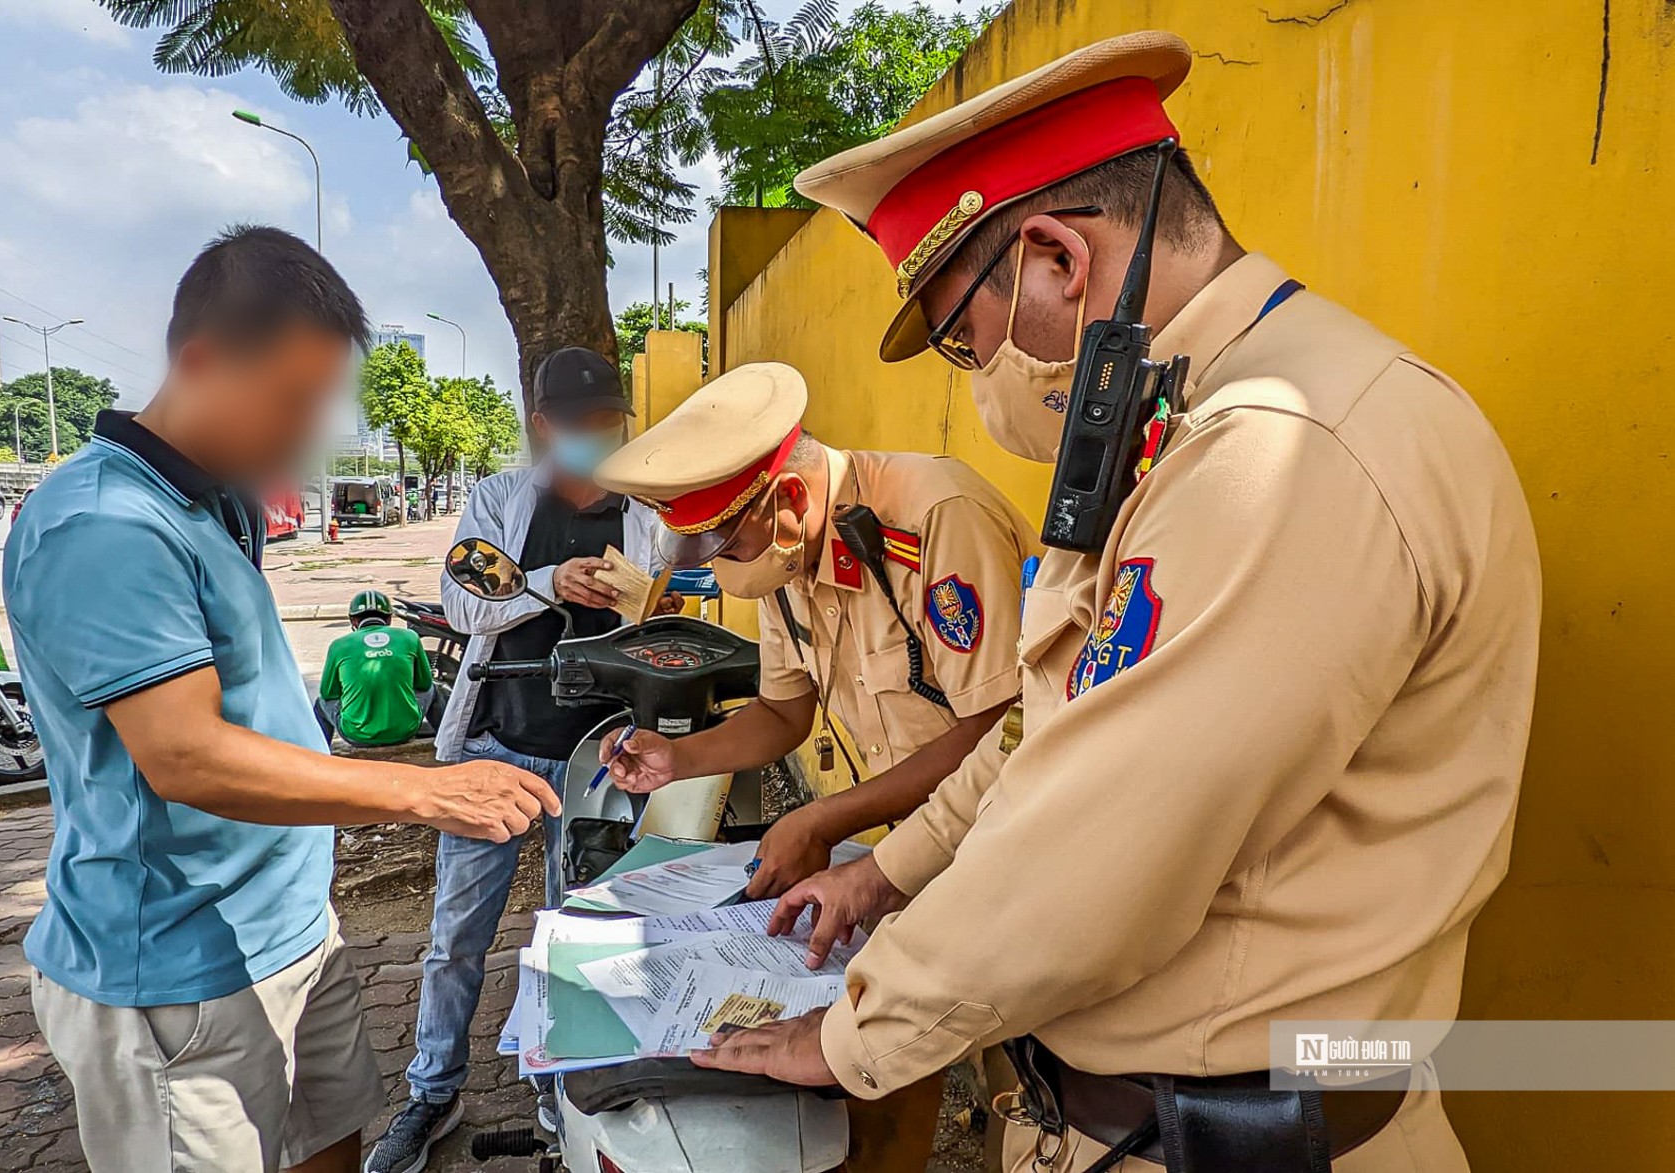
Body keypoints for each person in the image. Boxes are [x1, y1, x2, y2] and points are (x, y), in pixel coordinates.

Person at [689, 32, 1541, 1173]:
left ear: (1054, 260)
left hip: (1245, 1142)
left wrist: (855, 1032)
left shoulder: (1282, 450)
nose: (980, 373)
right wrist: (884, 874)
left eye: (964, 338)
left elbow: (1095, 861)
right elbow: (1049, 732)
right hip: (1135, 1124)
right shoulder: (1181, 433)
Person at [5, 225, 559, 1173]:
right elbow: (185, 755)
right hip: (177, 976)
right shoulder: (103, 524)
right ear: (202, 361)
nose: (309, 434)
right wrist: (424, 789)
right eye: (293, 400)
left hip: (291, 930)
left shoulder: (214, 500)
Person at [593, 360, 1035, 1170]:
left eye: (728, 539)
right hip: (926, 849)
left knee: (1026, 1073)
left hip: (1021, 845)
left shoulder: (937, 518)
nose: (727, 563)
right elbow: (783, 712)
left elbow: (998, 733)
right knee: (881, 1047)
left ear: (789, 502)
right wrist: (677, 757)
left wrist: (825, 816)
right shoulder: (785, 560)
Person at [365, 346, 671, 1173]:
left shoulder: (646, 514)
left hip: (597, 760)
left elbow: (680, 595)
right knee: (456, 935)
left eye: (608, 423)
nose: (592, 438)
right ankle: (433, 1090)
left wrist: (656, 599)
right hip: (497, 753)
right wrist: (548, 581)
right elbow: (465, 600)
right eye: (576, 426)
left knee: (573, 934)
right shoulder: (502, 500)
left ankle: (556, 1086)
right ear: (542, 426)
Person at [315, 589, 439, 748]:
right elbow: (424, 684)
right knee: (434, 690)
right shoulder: (410, 637)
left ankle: (319, 753)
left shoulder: (339, 645)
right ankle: (447, 744)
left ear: (353, 620)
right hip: (405, 731)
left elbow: (328, 693)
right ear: (389, 618)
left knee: (321, 703)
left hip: (357, 735)